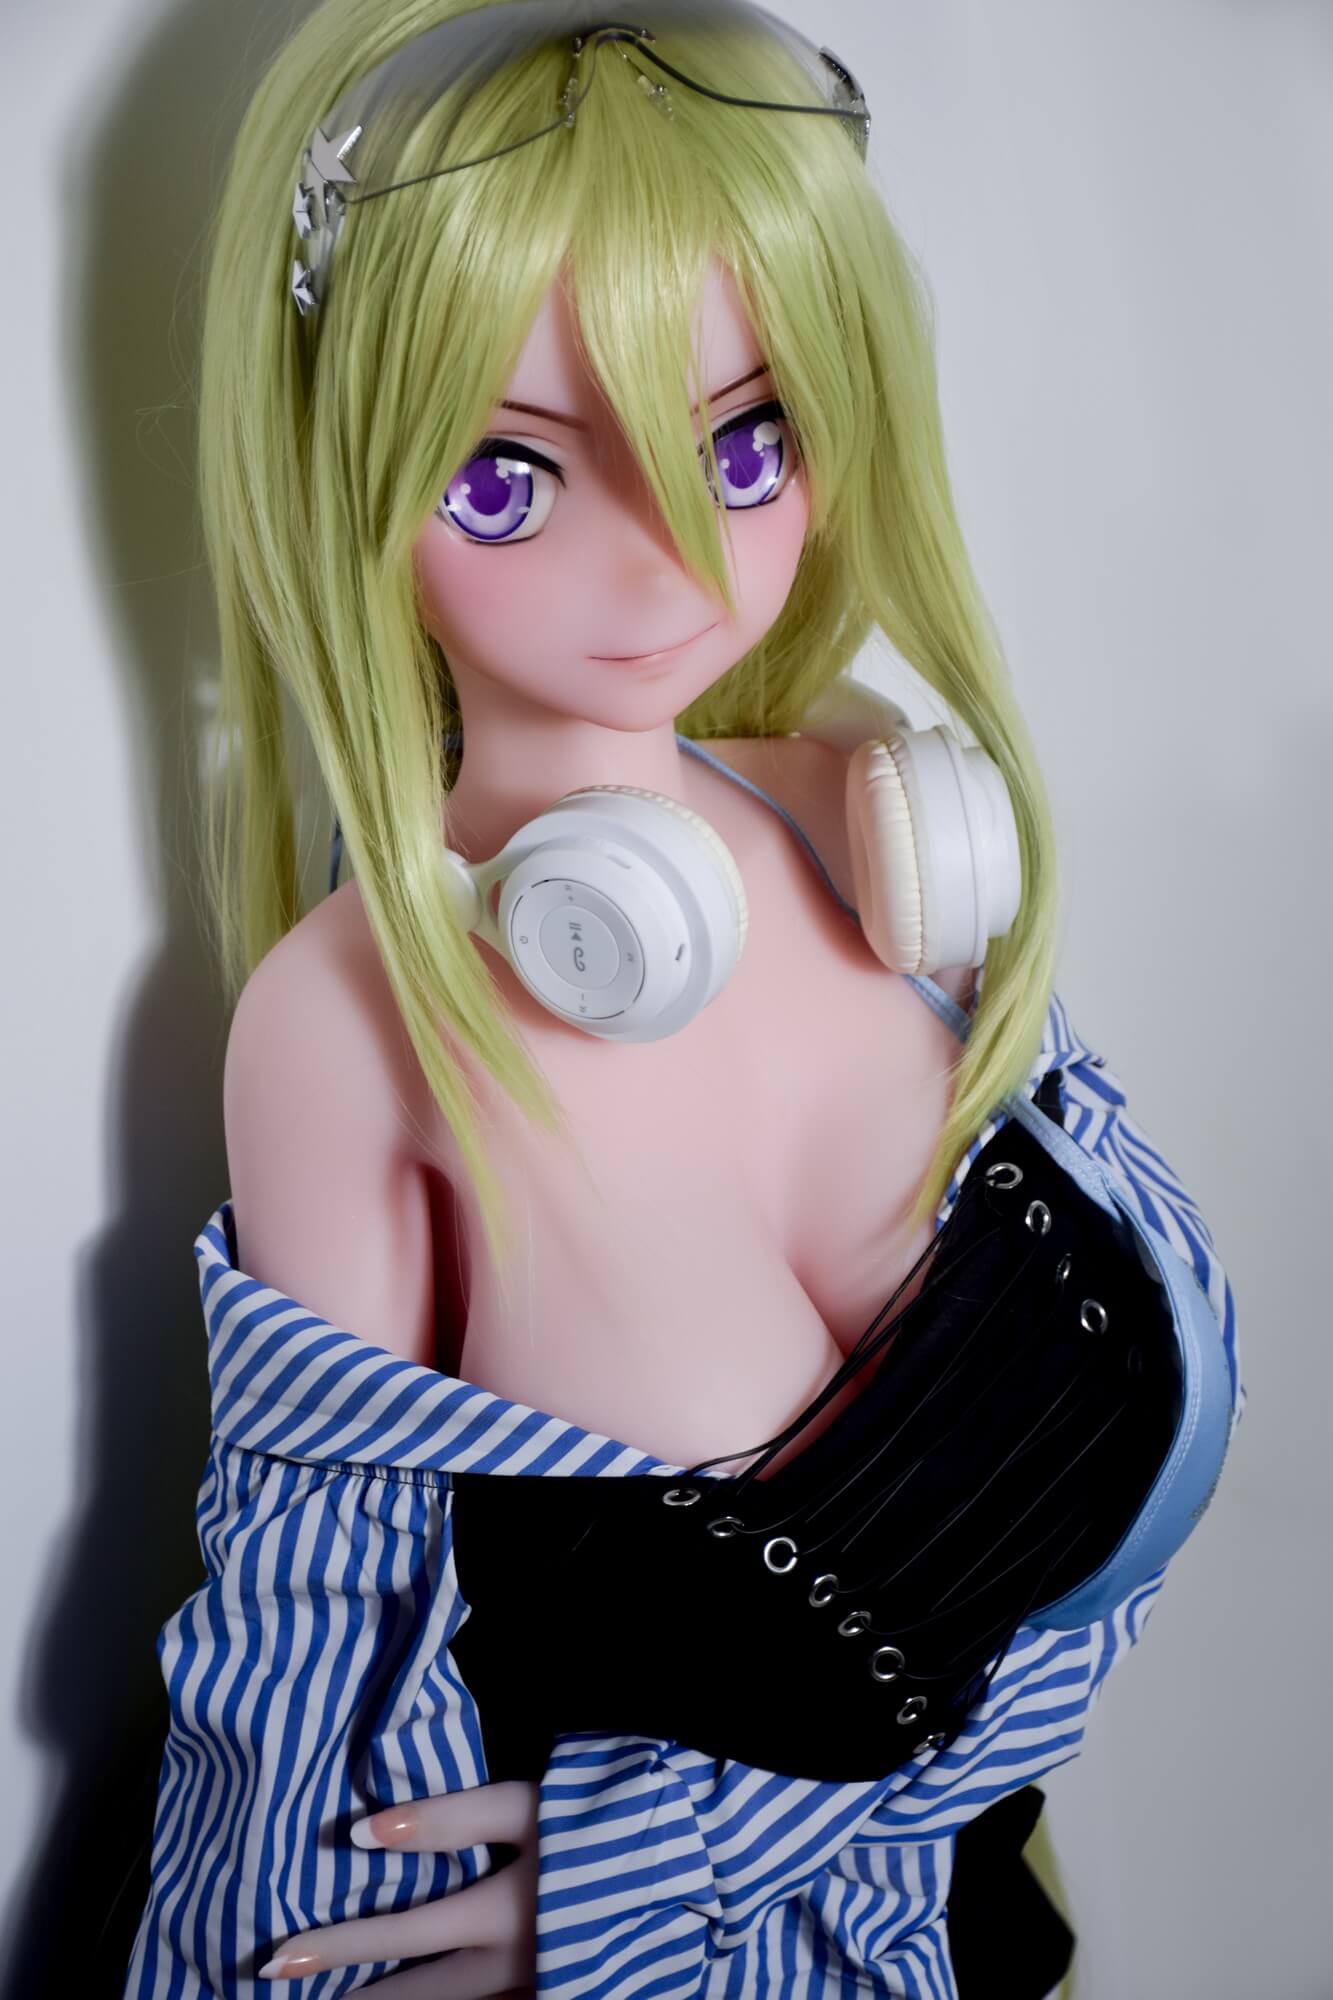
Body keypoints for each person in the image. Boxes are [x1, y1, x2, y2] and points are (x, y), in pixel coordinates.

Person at [121, 3, 1243, 1994]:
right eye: (505, 478)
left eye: (744, 446)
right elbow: (311, 1641)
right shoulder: (353, 1025)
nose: (665, 573)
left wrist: (696, 1838)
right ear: (345, 470)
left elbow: (1137, 1489)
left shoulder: (866, 827)